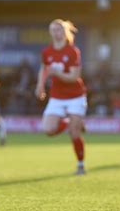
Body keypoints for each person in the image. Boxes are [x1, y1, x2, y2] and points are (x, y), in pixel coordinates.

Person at [35, 19, 88, 175]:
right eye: (52, 29)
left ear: (64, 32)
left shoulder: (73, 51)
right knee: (48, 130)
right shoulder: (46, 52)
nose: (55, 32)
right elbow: (43, 69)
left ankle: (80, 165)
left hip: (75, 96)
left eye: (58, 29)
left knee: (75, 133)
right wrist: (40, 85)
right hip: (57, 97)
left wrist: (56, 73)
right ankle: (66, 122)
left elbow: (74, 76)